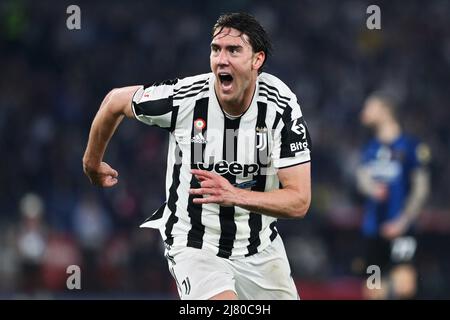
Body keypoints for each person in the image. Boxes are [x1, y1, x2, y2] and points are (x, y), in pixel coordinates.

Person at [82, 12, 312, 300]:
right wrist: (91, 163)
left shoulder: (281, 106)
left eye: (233, 50)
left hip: (260, 248)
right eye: (216, 49)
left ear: (257, 60)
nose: (221, 59)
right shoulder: (185, 99)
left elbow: (299, 201)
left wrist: (235, 196)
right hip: (195, 244)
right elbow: (115, 101)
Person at [356, 91, 431, 299]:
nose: (364, 112)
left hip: (402, 229)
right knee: (373, 287)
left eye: (369, 107)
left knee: (404, 285)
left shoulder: (411, 146)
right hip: (373, 230)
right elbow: (361, 179)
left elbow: (421, 188)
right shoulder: (369, 149)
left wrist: (403, 221)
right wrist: (371, 188)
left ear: (384, 110)